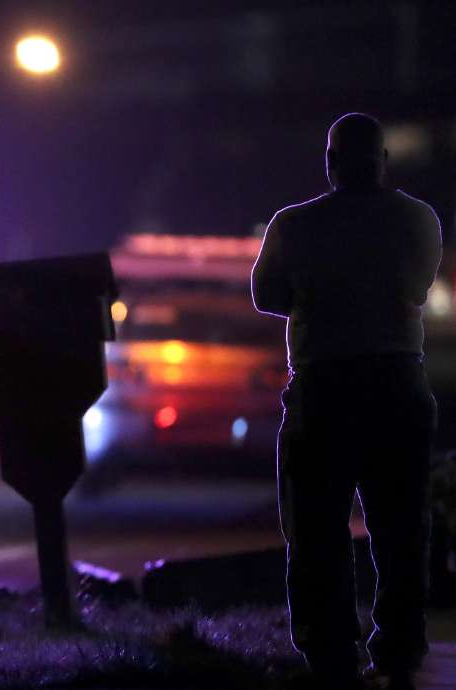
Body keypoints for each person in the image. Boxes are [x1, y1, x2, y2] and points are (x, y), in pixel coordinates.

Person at [252, 112, 442, 690]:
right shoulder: (418, 219)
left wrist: (317, 295)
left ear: (330, 162)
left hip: (323, 389)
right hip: (398, 384)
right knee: (401, 528)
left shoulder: (294, 224)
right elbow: (417, 287)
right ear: (383, 160)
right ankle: (399, 649)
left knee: (316, 531)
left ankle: (332, 654)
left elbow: (267, 295)